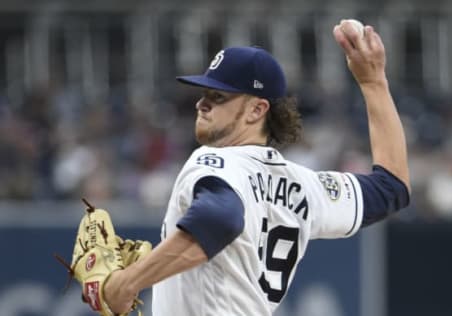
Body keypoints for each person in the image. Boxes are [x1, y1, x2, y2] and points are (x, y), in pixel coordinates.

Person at [103, 20, 410, 315]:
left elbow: (220, 218)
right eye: (204, 93)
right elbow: (391, 188)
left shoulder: (216, 161)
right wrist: (373, 82)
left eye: (218, 96)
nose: (202, 104)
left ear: (257, 110)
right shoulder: (305, 185)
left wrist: (127, 282)